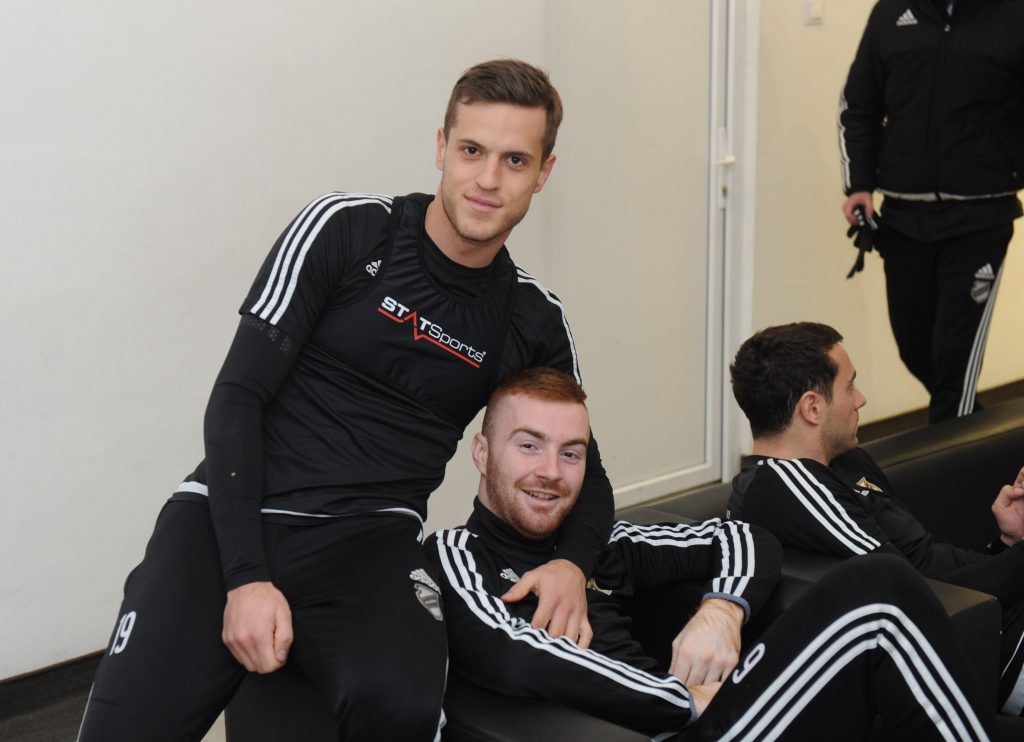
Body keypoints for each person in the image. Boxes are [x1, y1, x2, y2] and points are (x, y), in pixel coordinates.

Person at [78, 59, 614, 741]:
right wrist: (246, 578)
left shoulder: (531, 318)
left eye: (515, 161)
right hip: (234, 515)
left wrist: (571, 565)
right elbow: (237, 398)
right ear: (441, 147)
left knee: (401, 709)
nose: (487, 179)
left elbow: (588, 469)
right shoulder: (349, 230)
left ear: (543, 173)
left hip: (369, 544)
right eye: (471, 150)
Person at [428, 367, 993, 740]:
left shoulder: (602, 547)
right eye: (528, 446)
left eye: (570, 454)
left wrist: (722, 611)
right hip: (677, 729)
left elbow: (745, 538)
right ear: (482, 452)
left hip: (716, 720)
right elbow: (513, 654)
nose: (551, 472)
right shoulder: (457, 554)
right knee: (880, 592)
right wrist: (683, 700)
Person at [727, 321, 1024, 715]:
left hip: (993, 608)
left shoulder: (845, 461)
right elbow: (916, 596)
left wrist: (1006, 544)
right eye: (850, 386)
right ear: (812, 408)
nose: (861, 399)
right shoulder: (784, 489)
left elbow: (925, 560)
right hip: (988, 645)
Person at [838, 0, 1024, 423]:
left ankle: (956, 462)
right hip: (903, 218)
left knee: (955, 360)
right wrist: (859, 184)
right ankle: (979, 439)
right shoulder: (892, 12)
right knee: (915, 347)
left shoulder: (1014, 15)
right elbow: (859, 103)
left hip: (981, 219)